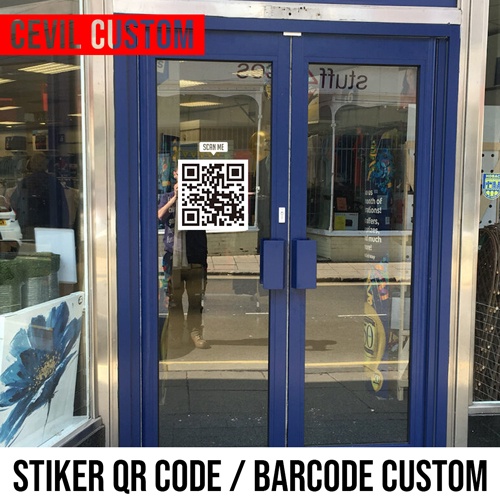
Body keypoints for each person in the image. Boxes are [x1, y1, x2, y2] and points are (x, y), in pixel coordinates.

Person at [158, 167, 209, 350]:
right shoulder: (167, 197)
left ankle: (195, 332)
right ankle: (177, 334)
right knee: (174, 299)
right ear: (175, 175)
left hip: (195, 256)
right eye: (181, 173)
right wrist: (175, 198)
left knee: (195, 299)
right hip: (173, 257)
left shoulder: (200, 196)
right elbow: (159, 215)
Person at [10, 153, 69, 240]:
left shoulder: (25, 182)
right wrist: (64, 227)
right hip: (50, 226)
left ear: (31, 165)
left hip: (29, 226)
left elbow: (14, 202)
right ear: (46, 164)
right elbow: (63, 207)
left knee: (31, 246)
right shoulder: (53, 182)